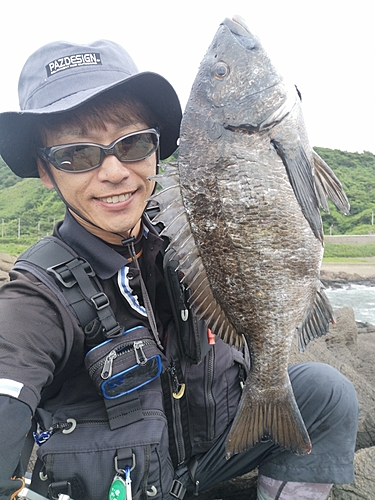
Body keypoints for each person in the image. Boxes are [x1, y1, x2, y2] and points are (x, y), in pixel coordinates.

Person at [0, 39, 359, 500]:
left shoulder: (197, 236)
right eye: (78, 155)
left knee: (326, 391)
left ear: (155, 148)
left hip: (204, 455)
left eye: (132, 144)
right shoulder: (38, 297)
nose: (113, 171)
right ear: (46, 171)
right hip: (129, 486)